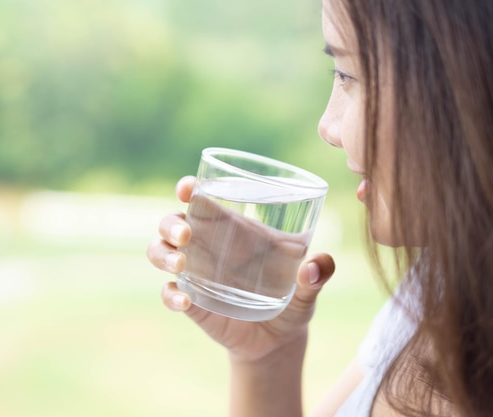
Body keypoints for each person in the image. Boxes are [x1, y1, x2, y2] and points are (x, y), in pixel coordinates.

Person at [146, 0, 493, 415]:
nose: (327, 127)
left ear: (464, 78)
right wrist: (266, 356)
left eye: (348, 74)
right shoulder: (435, 290)